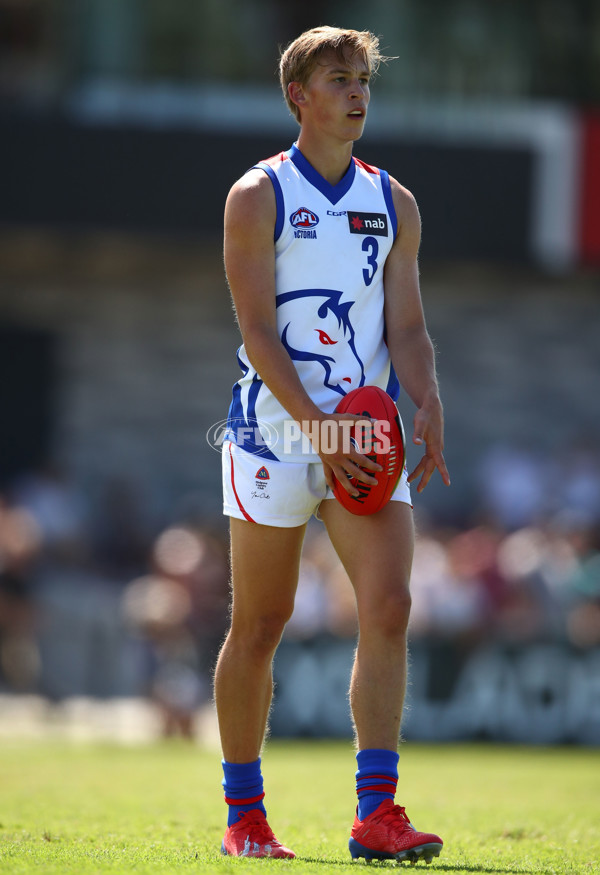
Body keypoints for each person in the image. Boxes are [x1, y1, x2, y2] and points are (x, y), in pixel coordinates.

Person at [213, 25, 450, 862]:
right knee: (262, 623)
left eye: (364, 80)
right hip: (274, 432)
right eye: (338, 79)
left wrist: (425, 397)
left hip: (365, 436)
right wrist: (314, 426)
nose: (357, 92)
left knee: (390, 607)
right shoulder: (258, 194)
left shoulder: (395, 202)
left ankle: (376, 815)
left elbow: (410, 326)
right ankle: (247, 816)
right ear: (298, 97)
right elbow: (255, 329)